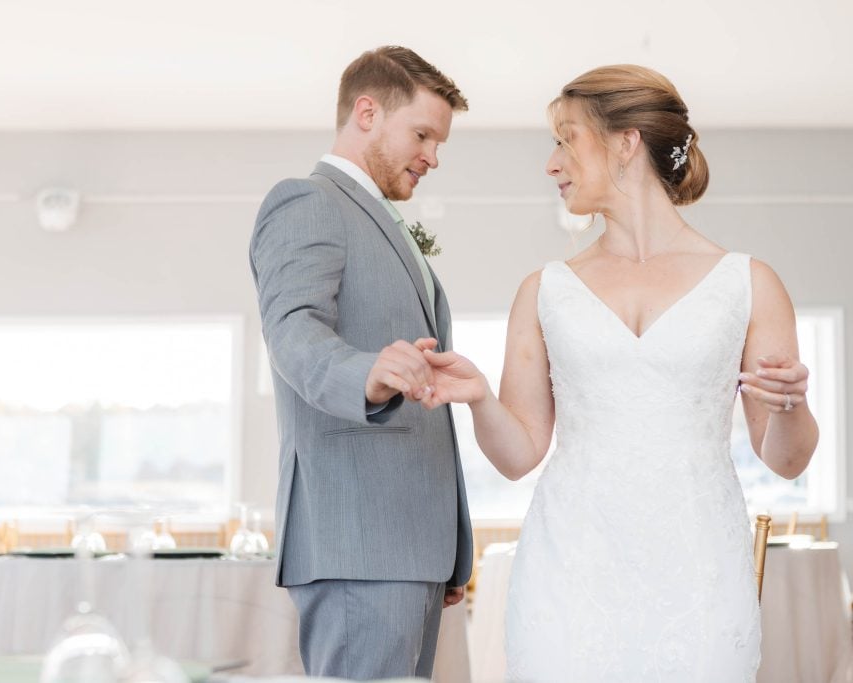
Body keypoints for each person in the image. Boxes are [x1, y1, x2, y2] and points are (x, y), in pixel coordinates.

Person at [421, 65, 819, 682]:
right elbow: (518, 456)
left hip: (699, 572)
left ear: (625, 142)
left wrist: (791, 405)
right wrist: (478, 399)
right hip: (568, 571)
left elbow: (786, 460)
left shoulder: (749, 283)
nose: (551, 164)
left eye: (566, 140)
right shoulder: (544, 290)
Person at [248, 46, 473, 680]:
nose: (433, 156)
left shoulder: (380, 219)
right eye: (422, 135)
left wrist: (445, 547)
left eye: (439, 142)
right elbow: (292, 330)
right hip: (359, 539)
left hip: (408, 546)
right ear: (367, 113)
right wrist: (363, 375)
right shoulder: (307, 201)